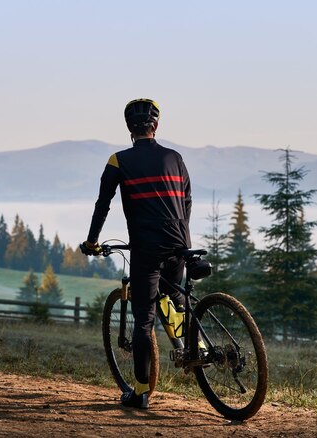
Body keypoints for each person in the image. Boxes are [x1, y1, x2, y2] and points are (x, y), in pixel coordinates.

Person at [81, 98, 192, 409]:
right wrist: (181, 237)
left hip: (147, 248)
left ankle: (141, 392)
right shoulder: (176, 158)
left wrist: (92, 241)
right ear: (156, 126)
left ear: (130, 129)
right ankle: (194, 349)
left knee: (143, 318)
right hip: (179, 242)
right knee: (176, 299)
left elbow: (103, 204)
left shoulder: (119, 161)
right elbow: (186, 202)